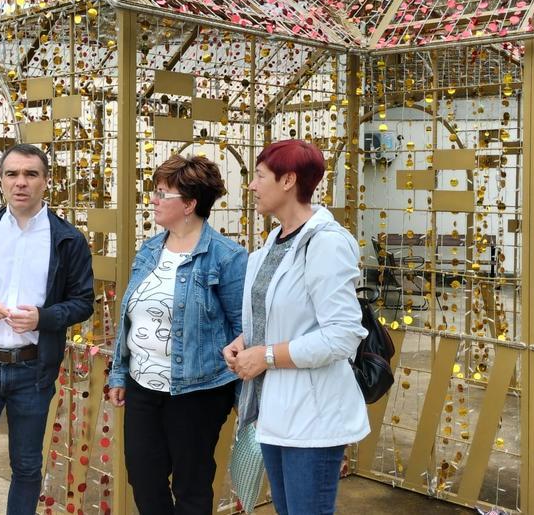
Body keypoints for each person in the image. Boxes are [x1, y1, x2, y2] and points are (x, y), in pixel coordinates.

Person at [0, 143, 94, 514]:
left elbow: (83, 301)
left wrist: (44, 318)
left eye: (30, 174)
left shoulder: (67, 239)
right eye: (12, 174)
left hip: (33, 371)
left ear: (46, 181)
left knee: (26, 469)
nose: (20, 182)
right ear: (0, 178)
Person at [223, 139, 368, 515]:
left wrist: (266, 356)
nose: (251, 185)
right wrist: (244, 343)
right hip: (273, 410)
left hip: (312, 417)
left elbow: (342, 334)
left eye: (259, 176)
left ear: (288, 181)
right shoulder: (275, 241)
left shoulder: (327, 244)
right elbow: (277, 315)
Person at [107, 155, 247, 514]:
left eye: (162, 193)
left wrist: (243, 396)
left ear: (189, 204)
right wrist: (120, 372)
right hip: (142, 387)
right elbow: (130, 317)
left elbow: (242, 330)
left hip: (197, 393)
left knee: (192, 484)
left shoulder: (227, 257)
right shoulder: (150, 249)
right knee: (143, 478)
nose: (153, 199)